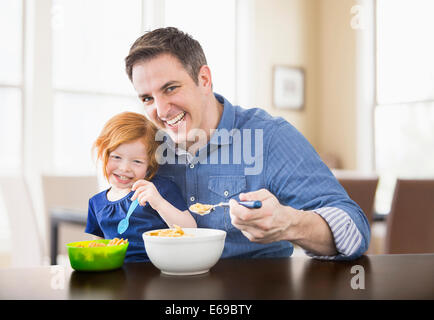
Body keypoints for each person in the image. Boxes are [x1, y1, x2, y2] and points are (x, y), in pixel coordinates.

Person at [124, 27, 370, 260]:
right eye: (147, 98)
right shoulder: (147, 147)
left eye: (170, 88)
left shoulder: (269, 137)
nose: (161, 110)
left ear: (204, 79)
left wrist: (290, 223)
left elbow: (355, 230)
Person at [85, 111, 196, 262]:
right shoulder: (96, 203)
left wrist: (159, 203)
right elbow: (97, 245)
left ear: (149, 165)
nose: (124, 168)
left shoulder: (159, 189)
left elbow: (191, 230)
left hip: (158, 272)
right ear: (103, 153)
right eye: (116, 157)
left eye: (137, 161)